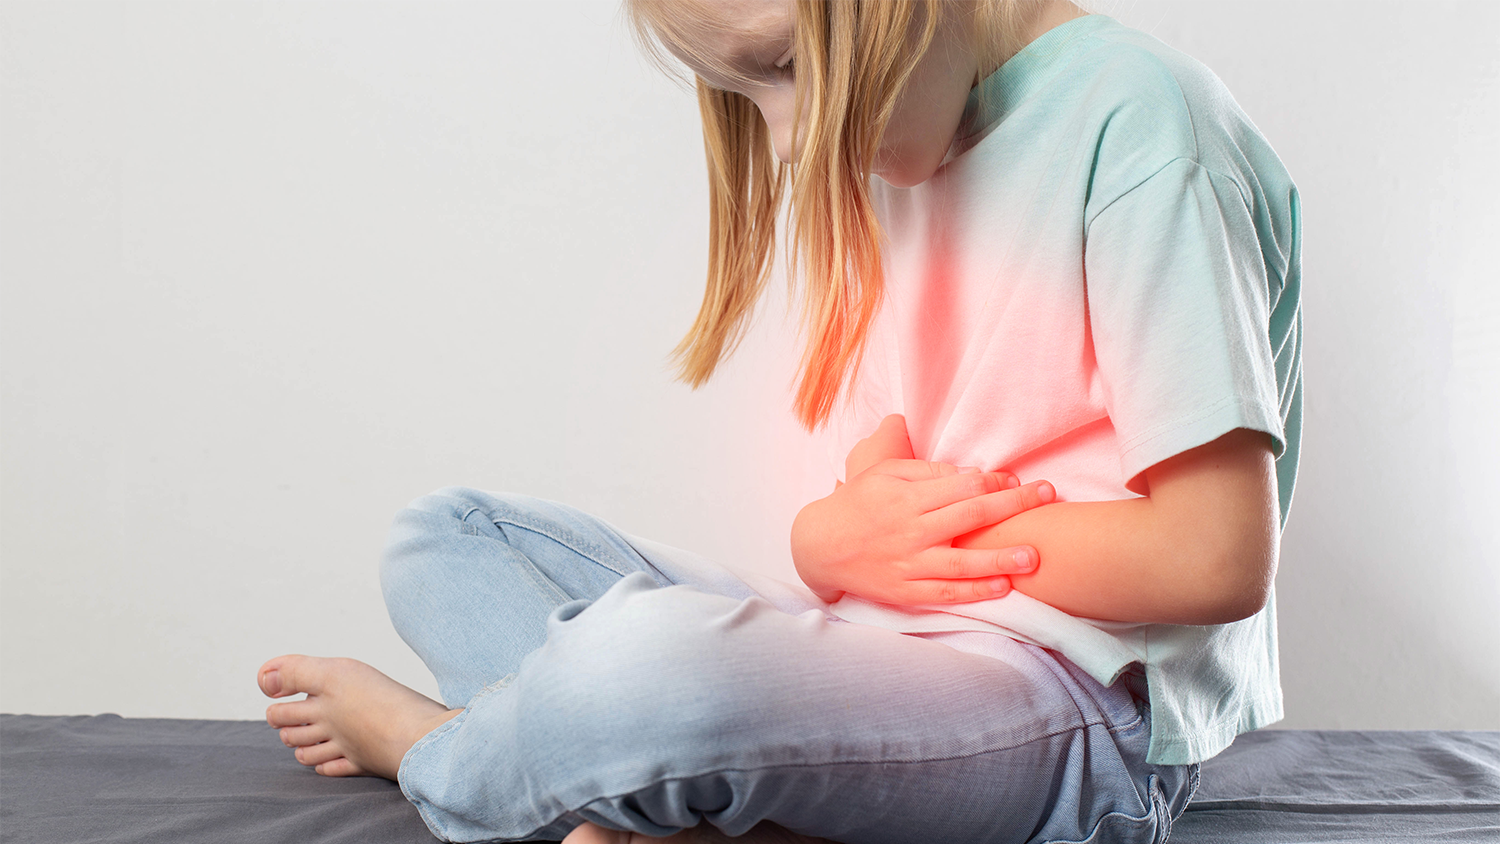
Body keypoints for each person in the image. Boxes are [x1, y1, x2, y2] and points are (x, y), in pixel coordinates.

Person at [256, 0, 1303, 841]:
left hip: (1080, 718)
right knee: (446, 540)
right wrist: (824, 540)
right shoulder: (913, 135)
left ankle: (447, 755)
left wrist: (928, 545)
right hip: (888, 649)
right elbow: (872, 485)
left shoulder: (1142, 125)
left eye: (785, 64)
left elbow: (1212, 556)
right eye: (743, 91)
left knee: (641, 668)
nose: (791, 139)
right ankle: (676, 791)